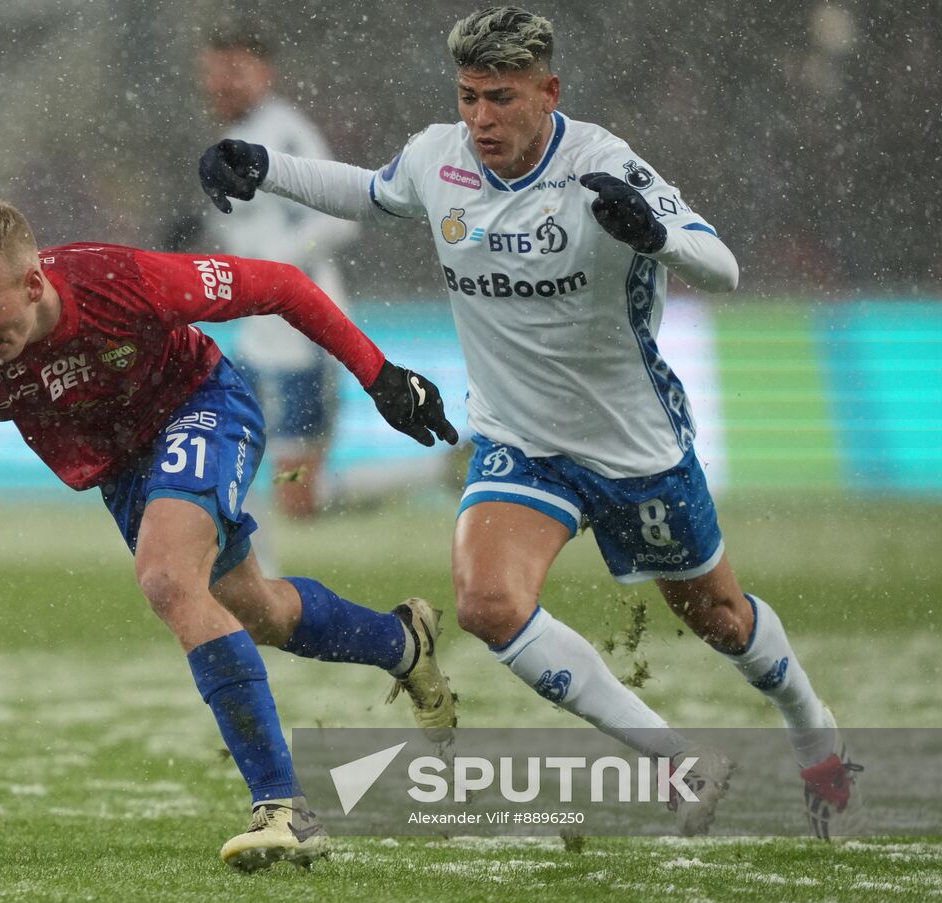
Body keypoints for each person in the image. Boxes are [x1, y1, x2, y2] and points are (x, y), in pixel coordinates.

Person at [199, 6, 860, 839]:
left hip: (632, 446)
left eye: (502, 98)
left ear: (549, 92)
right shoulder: (440, 158)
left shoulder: (604, 165)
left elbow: (721, 267)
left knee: (720, 620)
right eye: (469, 96)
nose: (481, 118)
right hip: (519, 441)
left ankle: (816, 736)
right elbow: (368, 192)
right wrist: (265, 169)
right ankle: (677, 761)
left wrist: (656, 234)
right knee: (486, 603)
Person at [0, 199, 460, 871]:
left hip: (202, 407)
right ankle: (404, 642)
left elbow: (282, 286)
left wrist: (378, 375)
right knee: (261, 613)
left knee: (167, 578)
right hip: (123, 470)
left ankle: (284, 806)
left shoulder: (119, 281)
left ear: (32, 284)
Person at [192, 28, 359, 520]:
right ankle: (246, 561)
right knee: (220, 460)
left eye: (234, 70)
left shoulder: (285, 134)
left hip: (303, 329)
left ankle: (429, 472)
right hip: (257, 330)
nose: (221, 83)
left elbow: (341, 218)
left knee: (298, 495)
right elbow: (251, 228)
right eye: (213, 72)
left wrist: (274, 270)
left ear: (265, 73)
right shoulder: (232, 140)